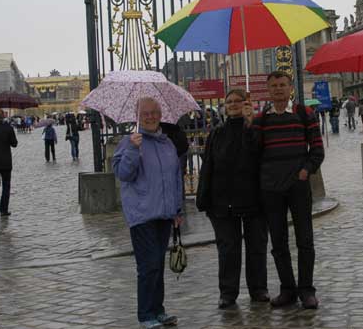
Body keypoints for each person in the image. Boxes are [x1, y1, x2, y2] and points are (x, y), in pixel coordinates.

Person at [253, 71, 324, 310]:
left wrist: (305, 171)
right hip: (271, 189)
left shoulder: (304, 114)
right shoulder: (261, 120)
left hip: (297, 186)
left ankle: (307, 290)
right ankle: (288, 289)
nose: (278, 89)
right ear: (268, 90)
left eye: (282, 85)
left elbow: (317, 150)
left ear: (290, 87)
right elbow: (254, 152)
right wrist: (250, 127)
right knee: (278, 242)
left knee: (305, 240)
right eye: (274, 86)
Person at [112, 97, 183, 329]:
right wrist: (133, 149)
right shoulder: (129, 142)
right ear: (137, 116)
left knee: (158, 264)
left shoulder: (167, 143)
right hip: (141, 213)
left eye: (154, 112)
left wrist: (177, 209)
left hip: (164, 213)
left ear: (160, 115)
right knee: (148, 265)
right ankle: (145, 315)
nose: (151, 117)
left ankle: (158, 310)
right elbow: (123, 174)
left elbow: (175, 178)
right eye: (145, 113)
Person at [196, 88, 269, 309]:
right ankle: (228, 292)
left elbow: (260, 154)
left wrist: (250, 125)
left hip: (254, 197)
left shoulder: (256, 129)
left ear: (247, 103)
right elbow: (208, 165)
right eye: (229, 102)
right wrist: (203, 197)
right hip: (223, 199)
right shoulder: (217, 133)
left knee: (257, 246)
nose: (233, 104)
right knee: (228, 249)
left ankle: (258, 288)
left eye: (238, 101)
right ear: (225, 107)